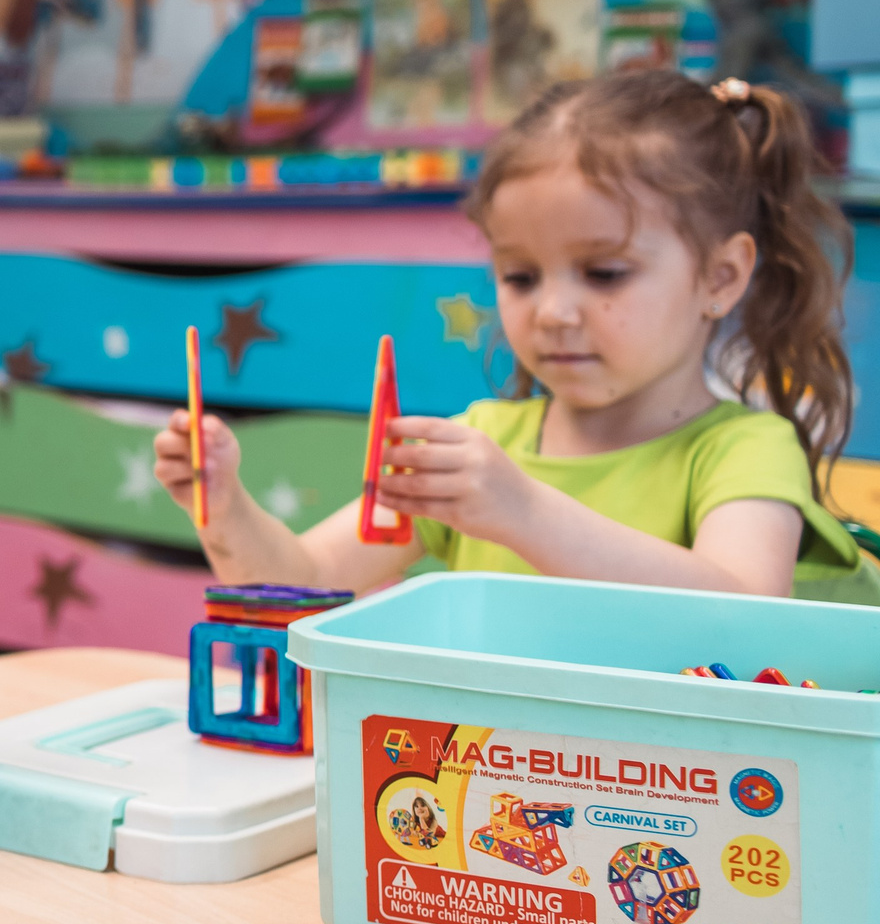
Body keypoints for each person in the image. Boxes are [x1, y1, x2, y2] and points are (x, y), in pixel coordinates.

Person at [156, 70, 880, 604]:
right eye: (522, 276)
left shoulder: (746, 451)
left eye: (603, 273)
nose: (554, 311)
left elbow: (746, 618)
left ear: (722, 276)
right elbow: (301, 584)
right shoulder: (479, 445)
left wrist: (525, 511)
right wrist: (223, 506)